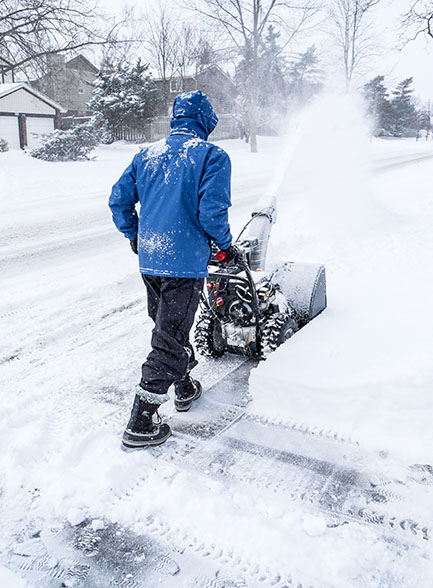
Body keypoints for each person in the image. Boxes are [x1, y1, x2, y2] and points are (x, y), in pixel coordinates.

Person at [109, 90, 240, 448]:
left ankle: (184, 386)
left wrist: (135, 236)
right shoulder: (211, 155)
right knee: (170, 334)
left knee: (168, 327)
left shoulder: (145, 155)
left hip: (150, 259)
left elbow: (118, 200)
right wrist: (226, 248)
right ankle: (142, 419)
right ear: (205, 121)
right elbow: (212, 213)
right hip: (183, 262)